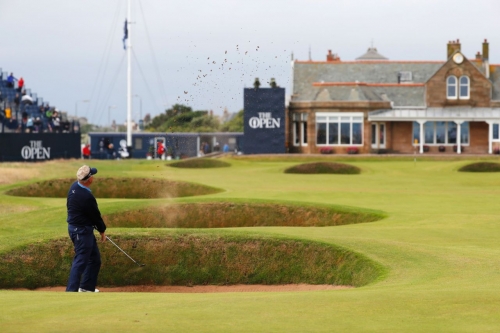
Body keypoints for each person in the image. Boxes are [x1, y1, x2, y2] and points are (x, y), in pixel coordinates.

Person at [66, 165, 107, 292]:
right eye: (92, 175)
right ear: (89, 180)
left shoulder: (75, 186)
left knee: (94, 259)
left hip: (80, 229)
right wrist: (102, 230)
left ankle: (86, 288)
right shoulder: (87, 197)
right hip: (81, 232)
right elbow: (95, 216)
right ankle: (71, 291)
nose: (94, 177)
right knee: (80, 262)